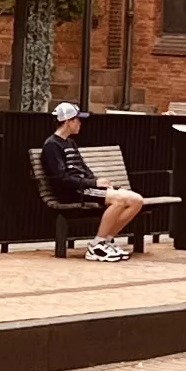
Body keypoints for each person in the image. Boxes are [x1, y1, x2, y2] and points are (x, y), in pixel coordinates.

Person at [43, 98, 147, 259]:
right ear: (68, 122)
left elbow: (83, 169)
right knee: (119, 200)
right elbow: (60, 179)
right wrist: (93, 183)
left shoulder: (70, 143)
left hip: (85, 187)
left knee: (136, 200)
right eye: (77, 120)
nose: (80, 123)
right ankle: (96, 245)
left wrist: (100, 183)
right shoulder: (52, 146)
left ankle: (107, 240)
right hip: (73, 191)